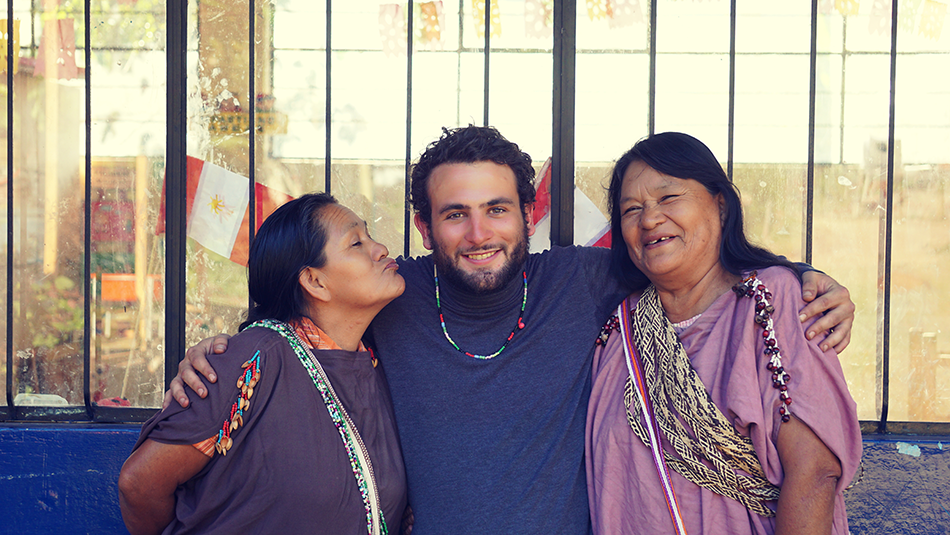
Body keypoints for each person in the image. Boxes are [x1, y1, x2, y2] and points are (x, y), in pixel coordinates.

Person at [167, 126, 855, 534]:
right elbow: (306, 314)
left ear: (527, 214)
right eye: (455, 213)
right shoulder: (392, 296)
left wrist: (802, 275)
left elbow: (690, 254)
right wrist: (221, 349)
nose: (478, 233)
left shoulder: (584, 281)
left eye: (497, 208)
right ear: (425, 226)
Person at [586, 132, 861, 534]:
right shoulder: (617, 333)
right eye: (631, 210)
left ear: (720, 204)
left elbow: (815, 470)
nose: (649, 219)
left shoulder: (770, 302)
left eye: (669, 198)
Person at [118, 193, 408, 535]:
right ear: (315, 281)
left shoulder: (377, 364)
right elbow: (139, 484)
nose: (381, 249)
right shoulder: (250, 361)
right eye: (357, 242)